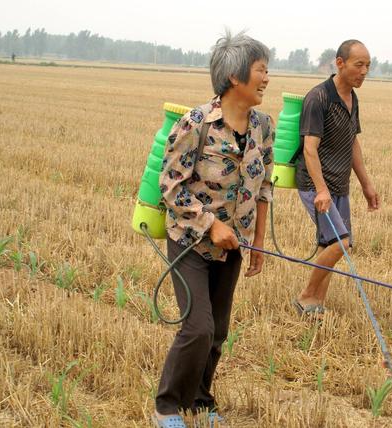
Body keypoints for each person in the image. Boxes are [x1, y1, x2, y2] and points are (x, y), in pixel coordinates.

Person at [153, 30, 273, 428]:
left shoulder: (263, 126)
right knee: (199, 326)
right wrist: (211, 224)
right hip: (189, 243)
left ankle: (201, 402)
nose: (267, 78)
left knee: (218, 331)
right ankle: (167, 406)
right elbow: (169, 187)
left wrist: (257, 243)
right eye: (261, 69)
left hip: (234, 246)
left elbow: (264, 187)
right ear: (235, 77)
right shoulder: (197, 123)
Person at [293, 40, 379, 315]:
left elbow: (352, 142)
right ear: (339, 63)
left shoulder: (353, 98)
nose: (364, 71)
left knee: (328, 244)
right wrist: (321, 190)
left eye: (368, 65)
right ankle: (307, 296)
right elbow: (309, 149)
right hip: (315, 183)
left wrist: (366, 184)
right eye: (359, 65)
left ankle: (317, 302)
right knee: (341, 242)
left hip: (339, 184)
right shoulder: (318, 97)